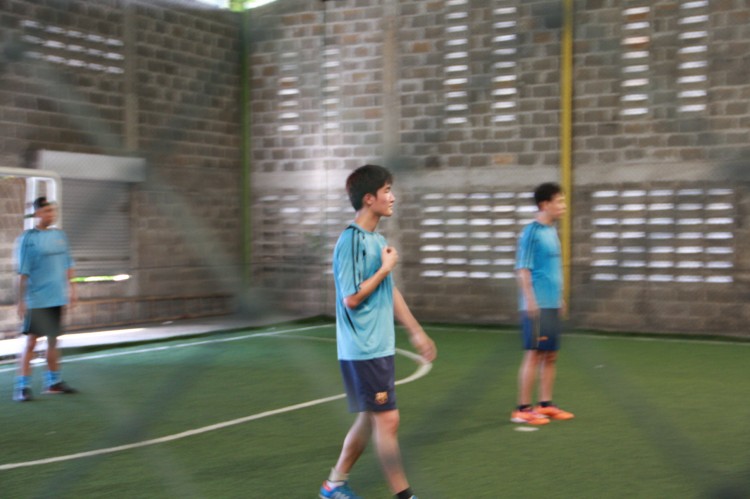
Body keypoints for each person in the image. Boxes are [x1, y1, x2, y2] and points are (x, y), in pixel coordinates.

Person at [319, 165, 437, 499]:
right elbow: (351, 298)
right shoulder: (351, 240)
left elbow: (389, 291)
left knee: (370, 419)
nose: (393, 197)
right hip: (363, 347)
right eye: (387, 190)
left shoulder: (376, 240)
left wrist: (416, 331)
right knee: (388, 420)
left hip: (379, 346)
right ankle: (404, 496)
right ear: (369, 198)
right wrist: (384, 269)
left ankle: (333, 485)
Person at [510, 182, 574, 426]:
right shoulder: (532, 232)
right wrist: (530, 300)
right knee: (534, 355)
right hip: (537, 305)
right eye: (560, 201)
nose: (564, 205)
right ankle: (522, 409)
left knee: (551, 355)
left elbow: (551, 270)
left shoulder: (551, 231)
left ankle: (545, 404)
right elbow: (522, 269)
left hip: (551, 303)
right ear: (545, 204)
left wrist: (560, 299)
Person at [13, 196, 78, 402]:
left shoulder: (60, 236)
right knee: (31, 342)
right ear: (37, 213)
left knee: (53, 341)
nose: (52, 214)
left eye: (53, 210)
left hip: (57, 298)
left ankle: (53, 383)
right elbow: (22, 273)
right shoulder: (28, 239)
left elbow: (68, 265)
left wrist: (73, 289)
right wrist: (21, 300)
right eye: (48, 211)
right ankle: (22, 387)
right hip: (37, 299)